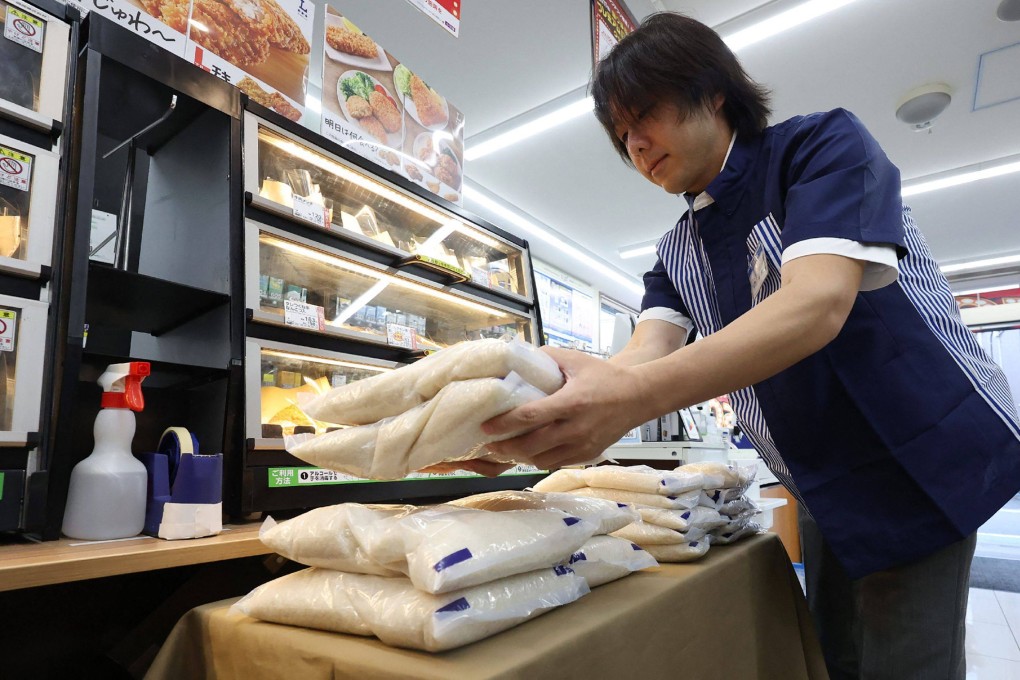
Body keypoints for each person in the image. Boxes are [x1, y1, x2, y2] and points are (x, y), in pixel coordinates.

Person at [482, 12, 1020, 680]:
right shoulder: (676, 250)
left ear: (712, 92)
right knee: (835, 656)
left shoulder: (821, 149)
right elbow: (643, 354)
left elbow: (817, 303)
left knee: (909, 661)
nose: (637, 145)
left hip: (913, 457)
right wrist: (540, 413)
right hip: (823, 477)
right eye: (621, 135)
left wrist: (625, 396)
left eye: (645, 114)